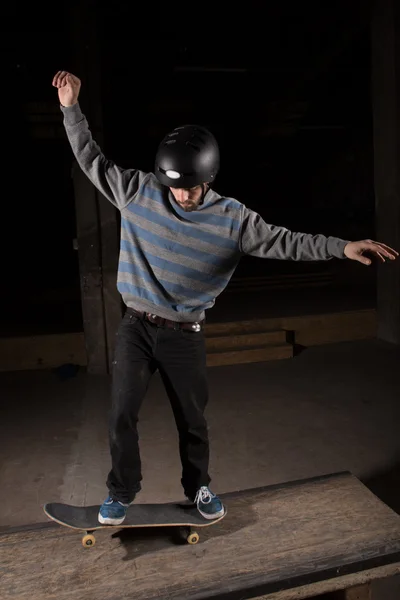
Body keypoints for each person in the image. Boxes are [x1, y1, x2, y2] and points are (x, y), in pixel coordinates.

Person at [52, 70, 398, 526]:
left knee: (192, 421)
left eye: (190, 187)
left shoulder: (234, 220)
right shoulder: (137, 191)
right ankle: (121, 492)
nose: (181, 195)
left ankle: (199, 488)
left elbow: (287, 241)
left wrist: (342, 246)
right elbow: (90, 158)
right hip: (136, 327)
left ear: (209, 178)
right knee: (121, 413)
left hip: (184, 334)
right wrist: (70, 109)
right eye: (174, 186)